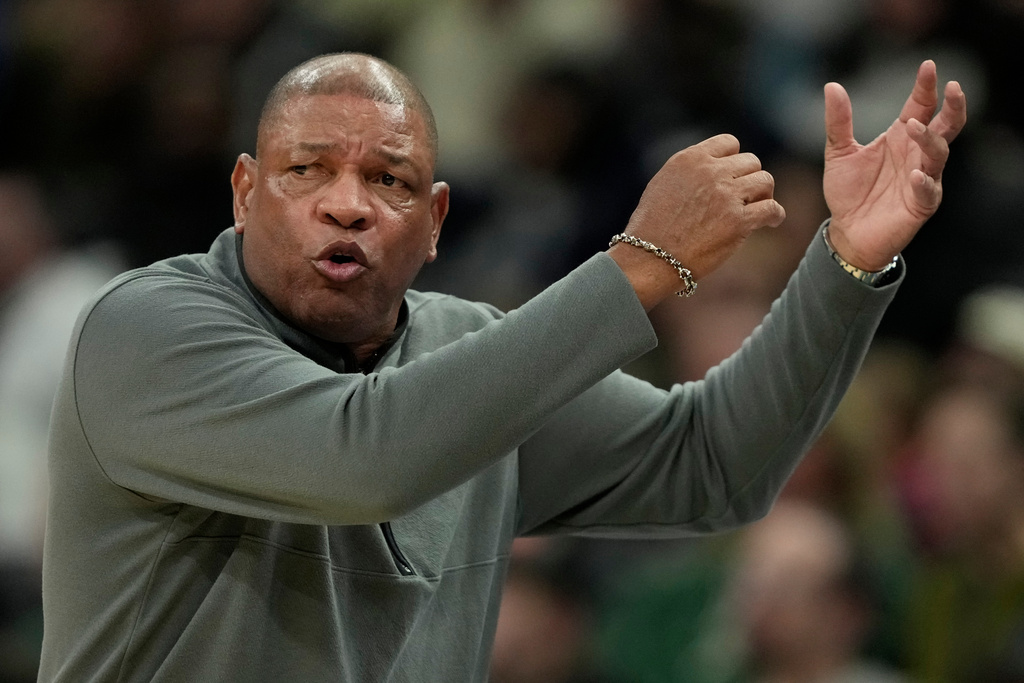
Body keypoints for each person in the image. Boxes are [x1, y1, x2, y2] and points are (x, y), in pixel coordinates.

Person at [38, 52, 965, 681]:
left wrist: (845, 263)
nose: (348, 206)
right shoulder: (148, 333)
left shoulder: (465, 354)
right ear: (245, 192)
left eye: (389, 180)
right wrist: (638, 266)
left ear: (438, 222)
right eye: (307, 171)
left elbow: (714, 463)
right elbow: (365, 460)